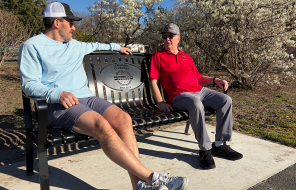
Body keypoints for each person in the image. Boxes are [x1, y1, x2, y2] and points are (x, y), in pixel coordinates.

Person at [18, 3, 188, 190]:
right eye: (71, 23)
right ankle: (152, 178)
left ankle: (138, 186)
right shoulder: (32, 46)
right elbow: (28, 84)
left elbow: (96, 45)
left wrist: (118, 47)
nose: (74, 27)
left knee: (124, 119)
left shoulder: (74, 45)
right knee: (102, 125)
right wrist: (56, 93)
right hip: (59, 105)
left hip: (86, 98)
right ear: (57, 23)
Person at [150, 23, 243, 170]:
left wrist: (215, 80)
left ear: (178, 38)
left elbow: (198, 77)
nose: (167, 39)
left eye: (170, 36)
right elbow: (153, 81)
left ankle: (219, 144)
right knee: (196, 104)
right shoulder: (158, 56)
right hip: (179, 95)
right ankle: (205, 149)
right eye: (165, 37)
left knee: (226, 100)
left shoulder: (186, 57)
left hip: (200, 91)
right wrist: (160, 101)